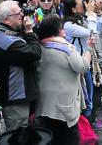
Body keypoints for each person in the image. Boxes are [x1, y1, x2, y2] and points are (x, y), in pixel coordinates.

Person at [35, 15, 91, 145]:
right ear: (55, 31)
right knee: (68, 138)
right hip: (64, 106)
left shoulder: (39, 47)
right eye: (62, 29)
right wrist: (87, 52)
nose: (65, 31)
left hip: (45, 104)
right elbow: (82, 67)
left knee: (51, 137)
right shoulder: (66, 48)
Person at [0, 0, 42, 131]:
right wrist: (29, 31)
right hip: (16, 100)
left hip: (14, 96)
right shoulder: (8, 42)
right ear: (7, 20)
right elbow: (35, 53)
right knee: (18, 136)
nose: (22, 15)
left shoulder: (1, 33)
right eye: (18, 14)